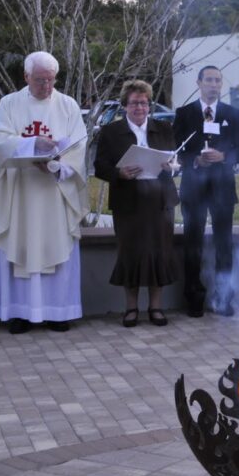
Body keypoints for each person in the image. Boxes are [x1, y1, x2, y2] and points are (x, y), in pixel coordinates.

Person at [0, 51, 89, 334]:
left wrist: (59, 166)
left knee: (57, 246)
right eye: (40, 80)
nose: (46, 86)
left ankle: (58, 312)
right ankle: (19, 313)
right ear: (25, 77)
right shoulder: (9, 104)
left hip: (54, 191)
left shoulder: (68, 105)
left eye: (50, 80)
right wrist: (34, 144)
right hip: (20, 191)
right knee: (20, 246)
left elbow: (79, 145)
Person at [94, 79, 180, 327]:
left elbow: (174, 161)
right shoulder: (111, 132)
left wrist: (171, 167)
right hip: (128, 202)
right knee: (130, 253)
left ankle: (156, 307)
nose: (140, 107)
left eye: (144, 102)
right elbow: (100, 166)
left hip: (160, 200)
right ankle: (131, 308)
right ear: (125, 106)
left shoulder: (163, 128)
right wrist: (119, 173)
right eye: (134, 103)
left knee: (159, 252)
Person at [173, 65, 239, 318]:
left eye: (218, 81)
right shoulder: (184, 114)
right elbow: (177, 151)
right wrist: (196, 160)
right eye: (209, 80)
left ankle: (224, 297)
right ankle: (194, 297)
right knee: (192, 243)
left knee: (223, 244)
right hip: (194, 189)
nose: (214, 85)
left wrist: (224, 155)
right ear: (199, 83)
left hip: (222, 189)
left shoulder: (232, 114)